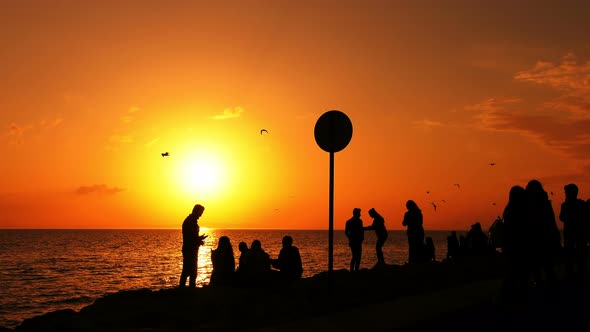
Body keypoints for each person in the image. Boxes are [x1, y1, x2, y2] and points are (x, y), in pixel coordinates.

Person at [525, 179, 561, 288]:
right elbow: (551, 221)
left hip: (535, 238)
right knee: (548, 266)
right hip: (546, 237)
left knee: (537, 267)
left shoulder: (528, 203)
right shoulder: (545, 202)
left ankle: (541, 286)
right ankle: (551, 287)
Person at [501, 185, 528, 295]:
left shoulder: (508, 209)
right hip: (517, 245)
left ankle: (510, 294)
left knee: (513, 272)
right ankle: (513, 294)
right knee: (518, 272)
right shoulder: (519, 210)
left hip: (510, 245)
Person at [559, 183, 588, 277]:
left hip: (575, 234)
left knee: (575, 255)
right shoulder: (580, 204)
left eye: (566, 192)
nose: (565, 194)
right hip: (575, 234)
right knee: (577, 256)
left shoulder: (566, 205)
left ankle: (576, 273)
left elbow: (562, 217)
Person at [179, 204, 208, 288]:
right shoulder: (190, 222)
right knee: (188, 272)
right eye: (200, 212)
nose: (201, 215)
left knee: (190, 272)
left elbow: (192, 237)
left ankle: (186, 289)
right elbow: (190, 238)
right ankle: (186, 289)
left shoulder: (190, 221)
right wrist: (198, 240)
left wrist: (199, 239)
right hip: (189, 250)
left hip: (191, 249)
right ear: (196, 211)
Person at [345, 208, 364, 272]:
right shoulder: (350, 222)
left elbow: (361, 231)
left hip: (357, 241)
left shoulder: (358, 221)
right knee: (355, 256)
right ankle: (353, 270)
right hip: (354, 241)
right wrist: (350, 238)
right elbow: (346, 232)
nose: (360, 215)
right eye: (359, 213)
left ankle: (355, 270)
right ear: (356, 213)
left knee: (357, 256)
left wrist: (361, 238)